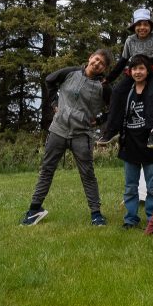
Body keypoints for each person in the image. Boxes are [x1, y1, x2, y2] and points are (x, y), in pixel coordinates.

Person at [21, 49, 113, 226]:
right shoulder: (70, 72)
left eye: (102, 63)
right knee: (47, 169)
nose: (97, 64)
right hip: (58, 130)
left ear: (104, 68)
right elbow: (49, 81)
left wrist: (101, 119)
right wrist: (55, 103)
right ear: (90, 57)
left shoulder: (104, 86)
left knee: (87, 174)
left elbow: (115, 108)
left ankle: (96, 215)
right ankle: (34, 210)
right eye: (96, 59)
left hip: (82, 134)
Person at [100, 8, 153, 146]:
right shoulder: (130, 41)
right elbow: (123, 61)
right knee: (118, 91)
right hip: (136, 72)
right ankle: (112, 129)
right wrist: (109, 79)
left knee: (152, 95)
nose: (142, 28)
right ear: (134, 27)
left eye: (145, 24)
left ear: (151, 25)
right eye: (138, 24)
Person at [117, 55, 153, 228]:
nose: (138, 72)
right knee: (130, 186)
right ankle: (130, 219)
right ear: (130, 72)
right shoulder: (127, 91)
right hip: (130, 144)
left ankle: (152, 220)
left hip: (150, 145)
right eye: (134, 69)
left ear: (147, 71)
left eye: (141, 69)